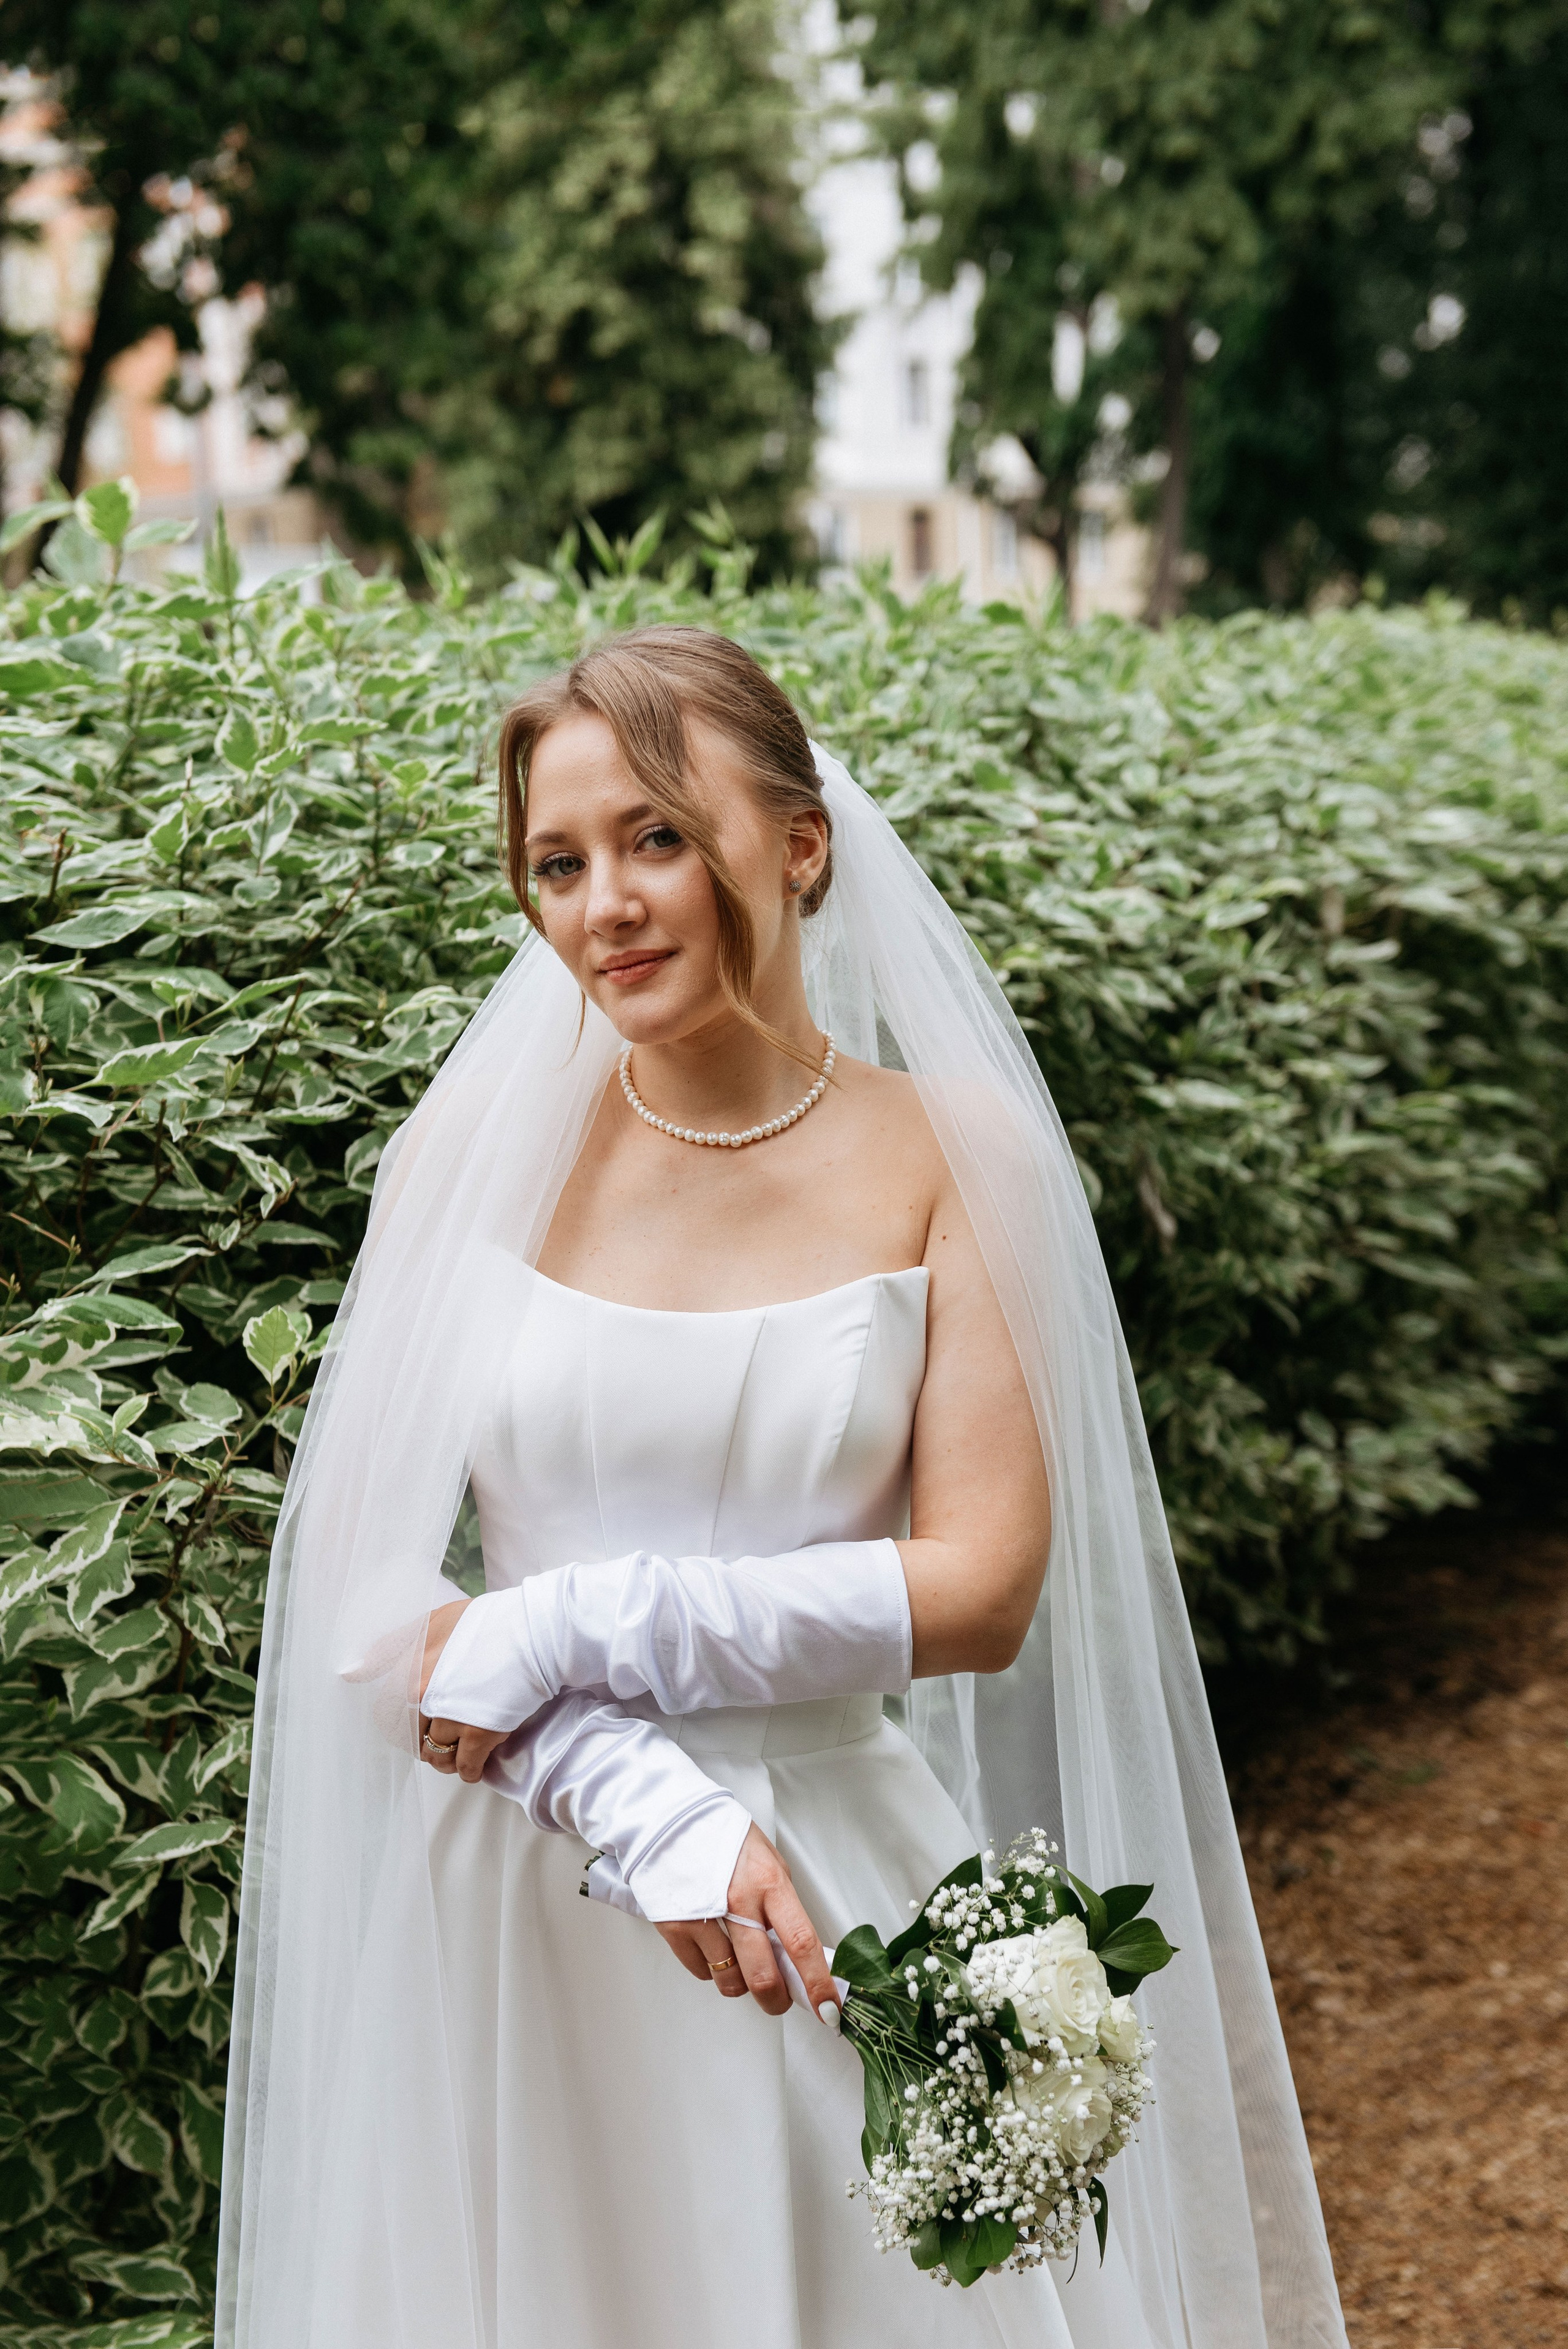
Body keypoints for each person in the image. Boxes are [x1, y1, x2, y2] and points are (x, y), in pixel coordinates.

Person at [217, 629, 1349, 2349]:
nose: (607, 901)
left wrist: (580, 1621)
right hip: (529, 1888)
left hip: (834, 1897)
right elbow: (358, 1607)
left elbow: (979, 1584)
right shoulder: (476, 1152)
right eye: (558, 861)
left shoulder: (958, 1151)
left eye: (659, 835)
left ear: (799, 843)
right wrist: (627, 1789)